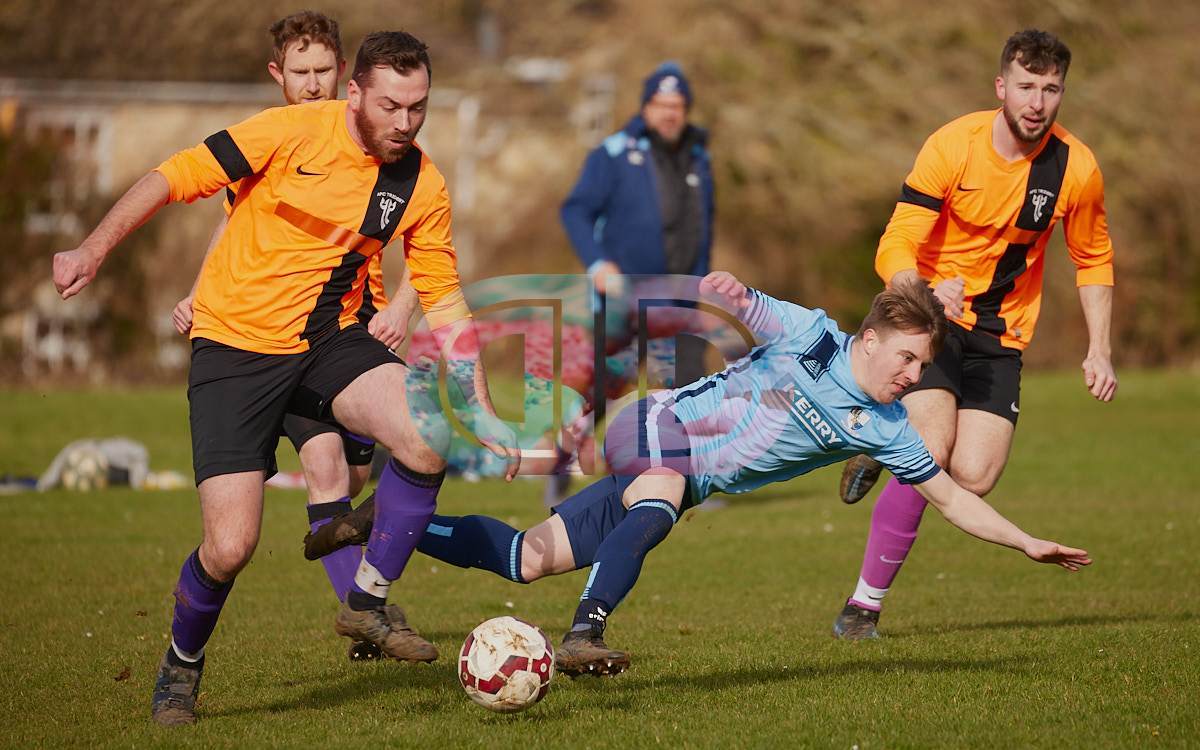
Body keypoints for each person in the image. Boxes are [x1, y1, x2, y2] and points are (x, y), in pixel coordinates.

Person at [52, 30, 518, 726]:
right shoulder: (288, 132)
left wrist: (480, 406)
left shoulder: (420, 183)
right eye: (391, 106)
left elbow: (444, 297)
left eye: (418, 107)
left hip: (327, 339)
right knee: (230, 547)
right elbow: (171, 176)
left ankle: (366, 601)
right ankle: (181, 664)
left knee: (428, 434)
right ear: (355, 93)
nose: (405, 122)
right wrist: (94, 248)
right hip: (233, 350)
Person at [307, 271, 1092, 677]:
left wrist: (1027, 542)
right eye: (910, 359)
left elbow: (951, 497)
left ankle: (389, 520)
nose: (916, 377)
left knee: (526, 557)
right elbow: (754, 307)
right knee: (659, 501)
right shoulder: (815, 337)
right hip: (659, 425)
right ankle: (584, 634)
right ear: (874, 338)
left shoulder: (886, 427)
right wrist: (731, 293)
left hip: (685, 477)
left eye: (924, 366)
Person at [832, 29, 1117, 640]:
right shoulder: (953, 145)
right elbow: (896, 240)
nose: (1037, 103)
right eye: (1025, 87)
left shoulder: (1077, 168)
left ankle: (884, 441)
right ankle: (863, 607)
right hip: (932, 320)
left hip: (1002, 332)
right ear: (1000, 87)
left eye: (1050, 89)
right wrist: (922, 293)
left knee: (976, 475)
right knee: (929, 450)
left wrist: (1100, 348)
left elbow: (1093, 258)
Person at [169, 11, 418, 664]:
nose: (312, 84)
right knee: (324, 469)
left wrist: (405, 308)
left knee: (357, 474)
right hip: (272, 339)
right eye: (300, 72)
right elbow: (231, 230)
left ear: (345, 74)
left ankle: (344, 550)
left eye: (323, 71)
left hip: (352, 335)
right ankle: (364, 613)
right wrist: (198, 293)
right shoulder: (270, 144)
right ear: (277, 76)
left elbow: (427, 245)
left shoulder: (381, 146)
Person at [555, 61, 716, 501]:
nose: (669, 113)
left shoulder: (699, 156)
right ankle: (561, 458)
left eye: (677, 105)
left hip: (680, 297)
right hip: (624, 296)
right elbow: (575, 210)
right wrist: (597, 264)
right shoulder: (613, 153)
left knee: (692, 387)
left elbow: (704, 225)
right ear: (645, 107)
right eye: (661, 104)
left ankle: (692, 481)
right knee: (605, 387)